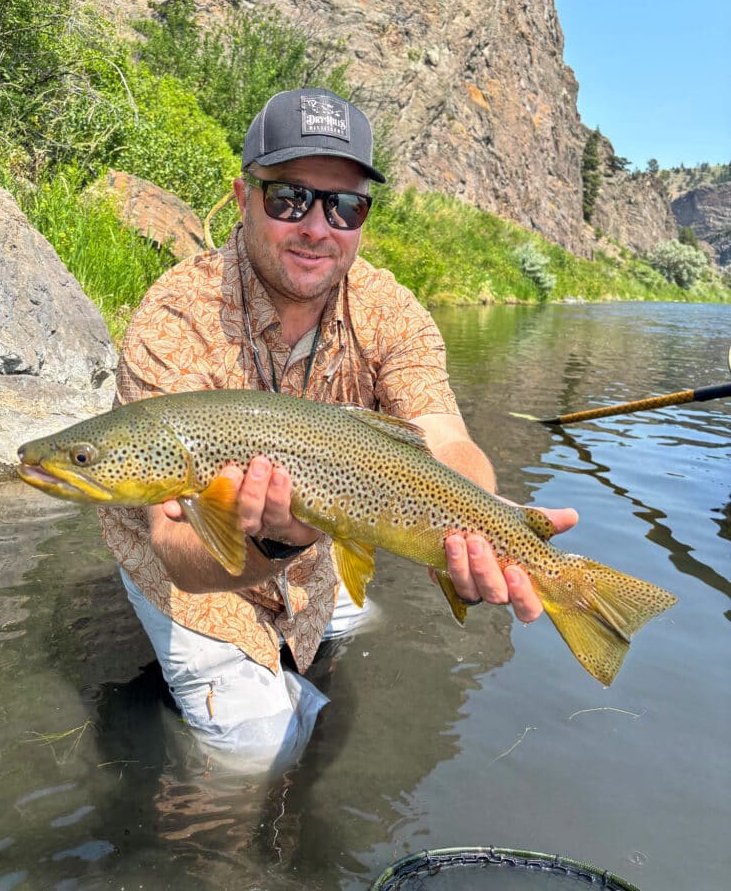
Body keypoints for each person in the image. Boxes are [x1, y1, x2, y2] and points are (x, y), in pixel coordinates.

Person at [98, 87, 577, 771]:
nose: (317, 228)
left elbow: (444, 439)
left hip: (314, 546)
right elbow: (177, 545)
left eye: (344, 205)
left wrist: (481, 519)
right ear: (242, 197)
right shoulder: (175, 317)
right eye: (289, 198)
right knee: (256, 752)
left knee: (360, 630)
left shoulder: (390, 310)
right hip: (183, 574)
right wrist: (266, 536)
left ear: (362, 219)